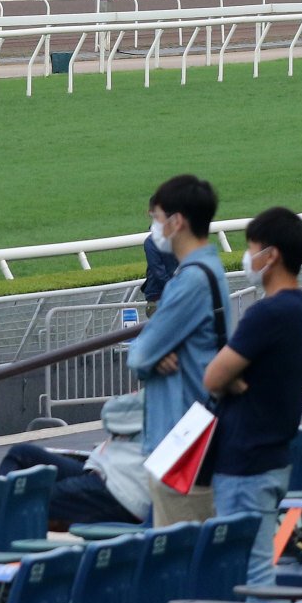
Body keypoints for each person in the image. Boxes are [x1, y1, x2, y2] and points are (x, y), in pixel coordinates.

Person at [201, 207, 302, 585]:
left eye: (252, 248)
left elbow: (213, 376)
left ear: (273, 255)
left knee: (248, 572)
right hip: (273, 455)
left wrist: (229, 378)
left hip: (245, 459)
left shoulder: (267, 313)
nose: (247, 259)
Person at [126, 174, 231, 526]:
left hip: (182, 439)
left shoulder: (190, 280)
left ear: (177, 221)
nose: (154, 227)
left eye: (155, 217)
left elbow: (140, 355)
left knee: (179, 562)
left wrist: (152, 352)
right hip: (195, 433)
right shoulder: (210, 269)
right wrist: (156, 351)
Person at [0, 397, 150, 527]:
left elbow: (112, 413)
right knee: (22, 453)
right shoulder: (156, 388)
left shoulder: (163, 393)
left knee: (30, 501)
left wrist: (143, 364)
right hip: (105, 470)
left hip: (122, 490)